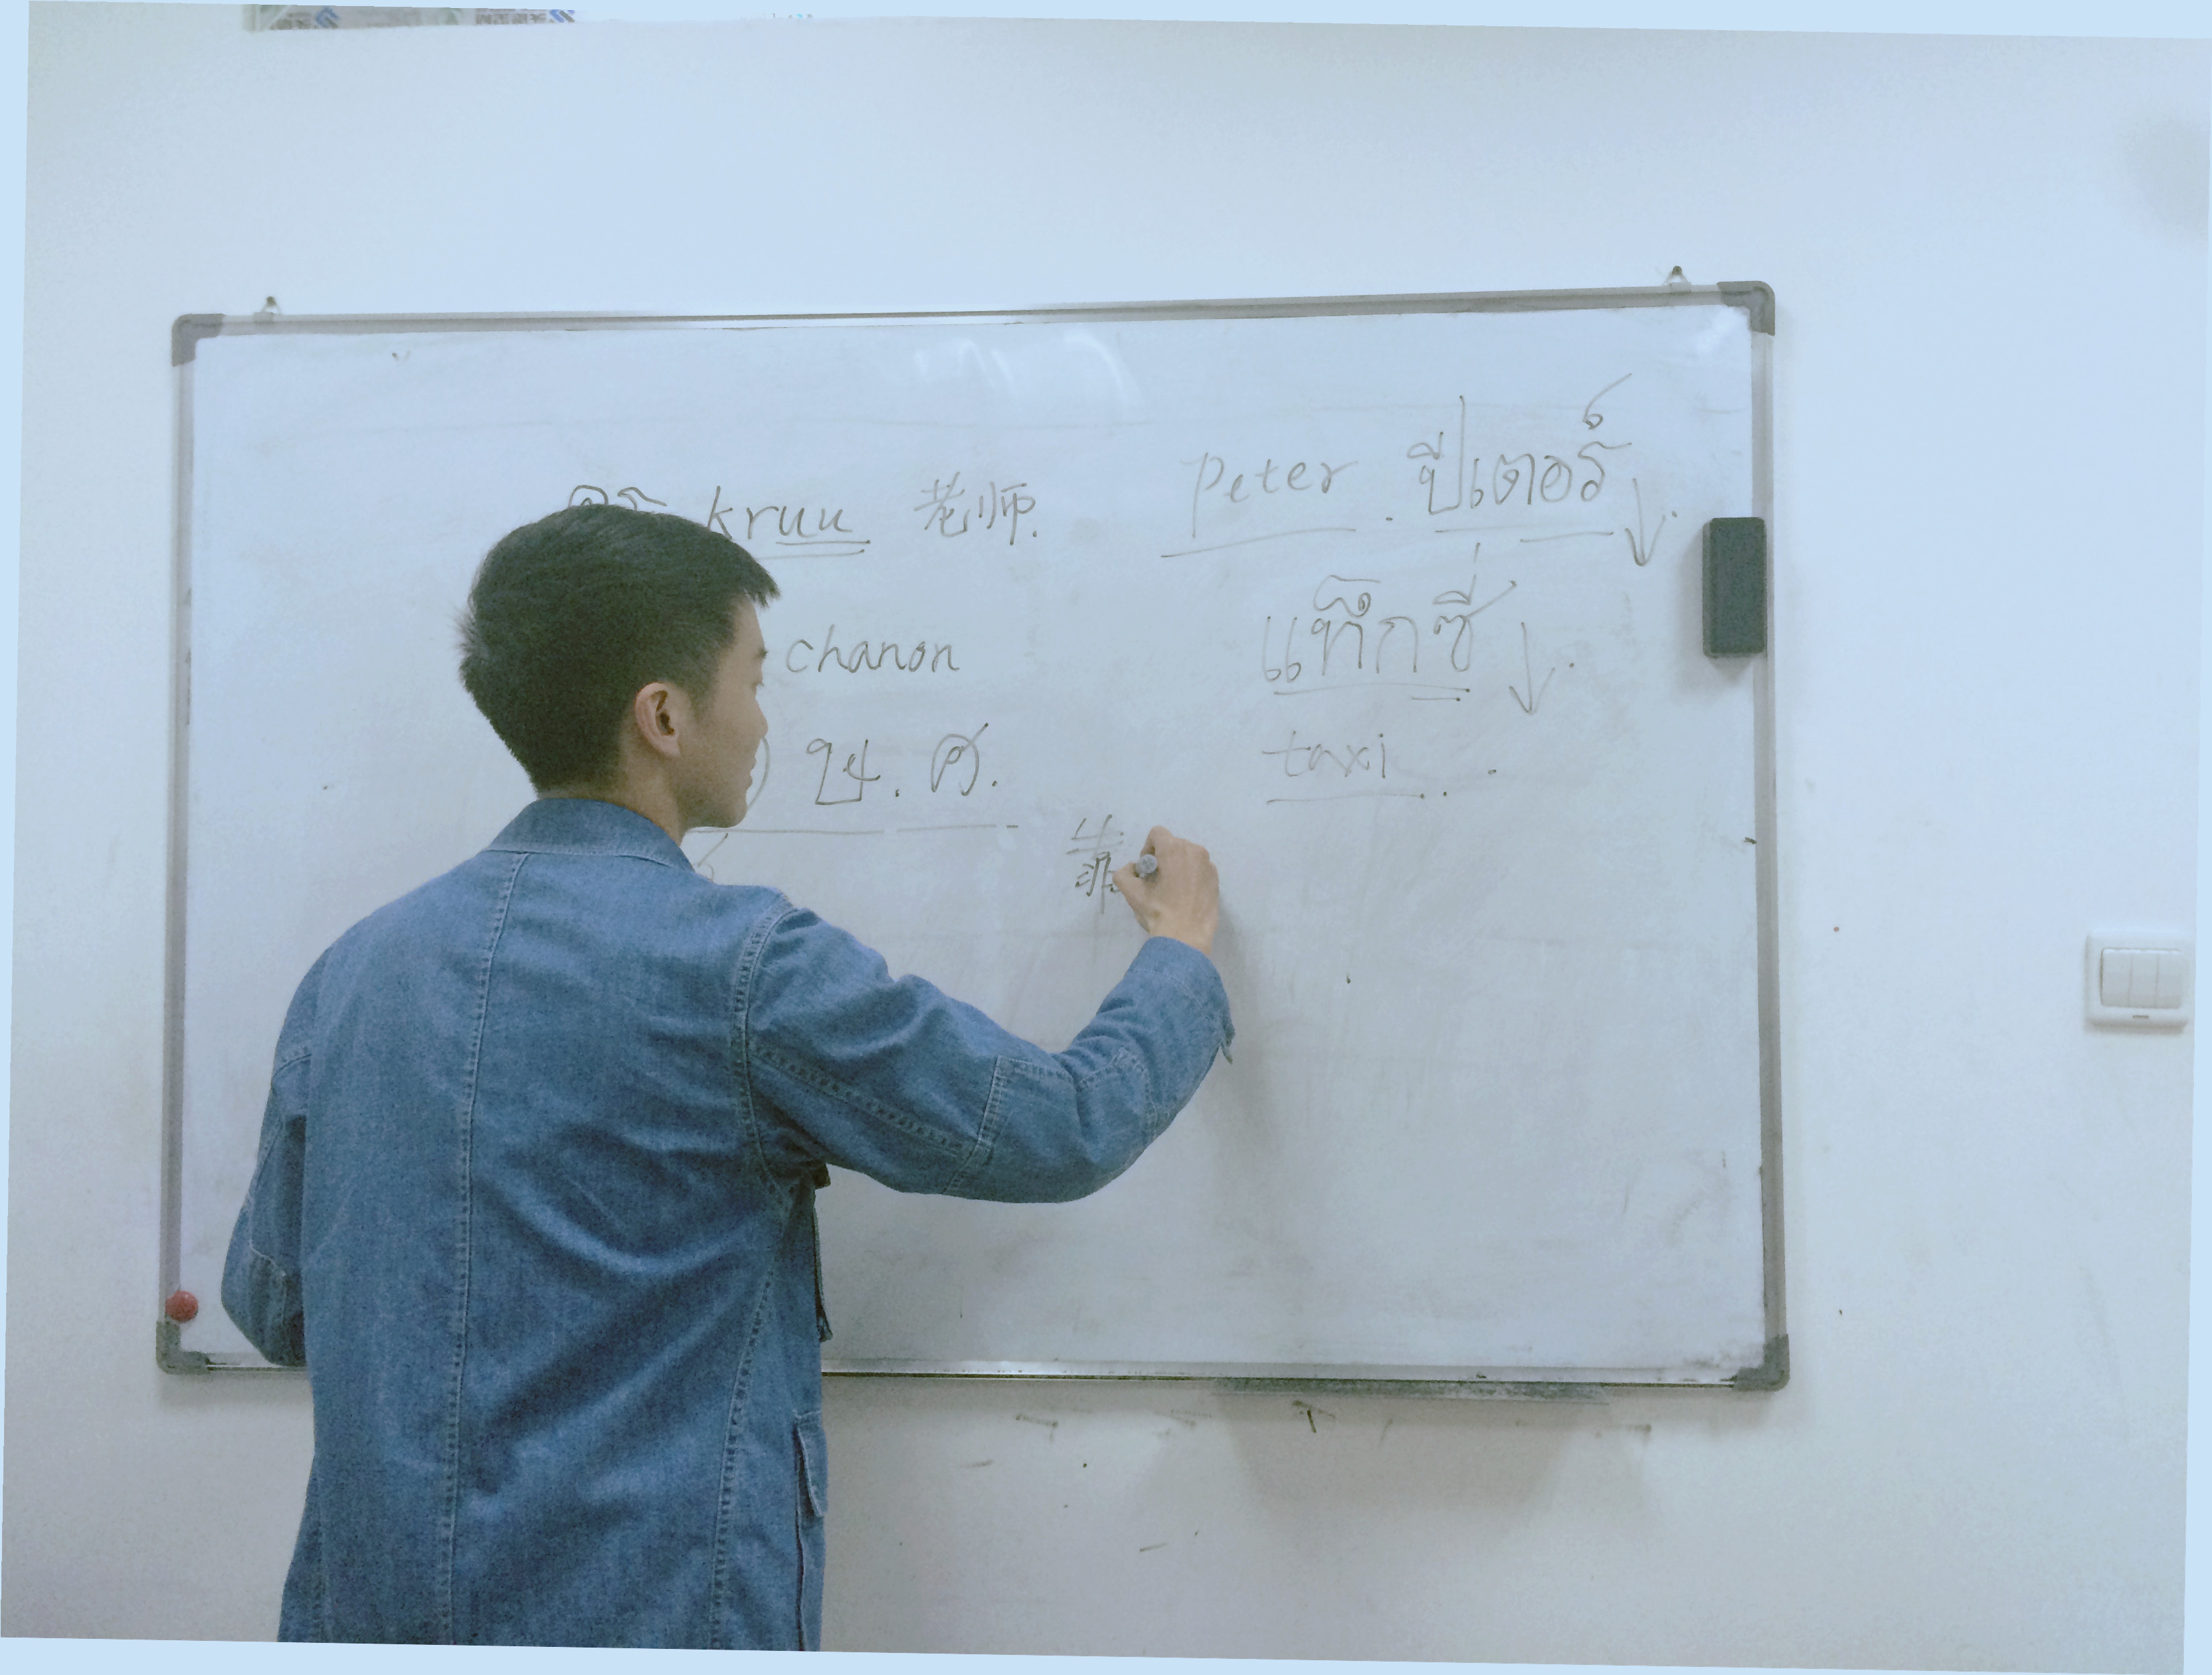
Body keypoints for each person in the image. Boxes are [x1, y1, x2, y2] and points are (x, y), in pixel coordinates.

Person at [221, 502, 1230, 1648]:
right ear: (662, 715)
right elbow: (1058, 1127)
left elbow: (272, 1305)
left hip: (370, 1622)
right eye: (753, 680)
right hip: (652, 1618)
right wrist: (1180, 959)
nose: (760, 720)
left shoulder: (354, 970)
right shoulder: (744, 968)